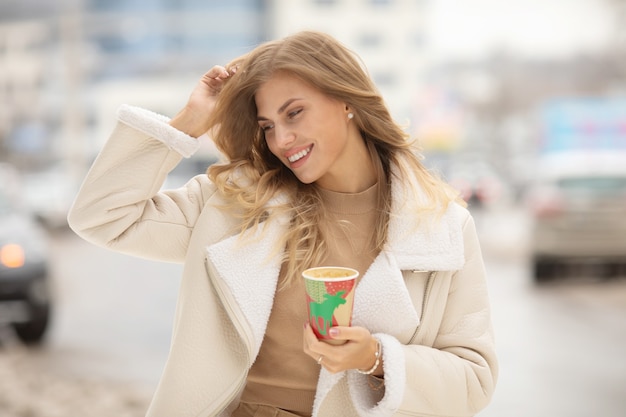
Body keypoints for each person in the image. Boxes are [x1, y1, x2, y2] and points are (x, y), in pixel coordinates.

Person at [68, 31, 498, 417]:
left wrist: (376, 357)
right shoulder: (235, 203)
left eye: (295, 113)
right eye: (268, 125)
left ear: (346, 100)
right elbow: (102, 217)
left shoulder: (441, 228)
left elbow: (473, 380)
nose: (281, 140)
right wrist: (187, 124)